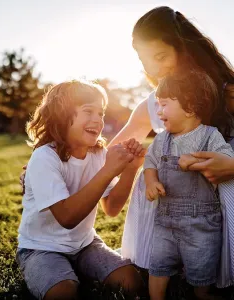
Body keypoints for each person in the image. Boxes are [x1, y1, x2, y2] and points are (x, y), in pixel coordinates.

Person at [105, 6, 234, 278]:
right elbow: (108, 154)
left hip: (225, 199)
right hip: (179, 208)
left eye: (161, 56)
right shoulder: (154, 103)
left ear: (184, 49)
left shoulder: (228, 91)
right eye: (144, 61)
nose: (153, 69)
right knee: (149, 170)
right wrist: (54, 161)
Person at [16, 79, 144, 300]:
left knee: (131, 282)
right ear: (62, 115)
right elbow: (67, 217)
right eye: (88, 111)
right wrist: (107, 172)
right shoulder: (45, 157)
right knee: (63, 293)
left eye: (101, 113)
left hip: (85, 244)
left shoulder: (97, 154)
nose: (98, 120)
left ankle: (76, 267)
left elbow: (112, 208)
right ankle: (49, 270)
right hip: (41, 247)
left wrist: (131, 169)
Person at [143, 71, 234, 300]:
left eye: (163, 105)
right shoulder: (162, 139)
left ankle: (202, 293)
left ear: (190, 107)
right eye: (157, 105)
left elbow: (226, 161)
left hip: (202, 225)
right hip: (165, 222)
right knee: (158, 266)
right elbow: (150, 162)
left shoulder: (210, 136)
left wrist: (195, 161)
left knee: (201, 269)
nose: (159, 112)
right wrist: (151, 181)